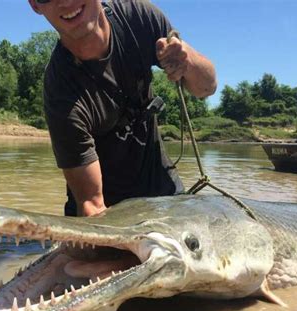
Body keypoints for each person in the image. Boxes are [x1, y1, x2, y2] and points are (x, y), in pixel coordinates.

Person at [28, 0, 217, 217]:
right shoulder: (61, 93)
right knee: (74, 250)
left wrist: (187, 59)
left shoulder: (138, 17)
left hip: (163, 194)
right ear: (35, 5)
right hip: (105, 213)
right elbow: (91, 203)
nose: (65, 2)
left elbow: (206, 88)